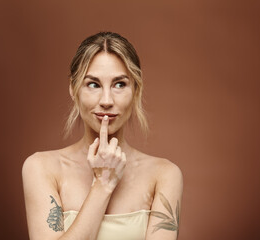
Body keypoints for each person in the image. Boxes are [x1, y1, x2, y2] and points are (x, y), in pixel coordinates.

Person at [22, 32, 183, 240]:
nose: (106, 100)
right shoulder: (41, 168)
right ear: (73, 89)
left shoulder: (164, 175)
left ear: (135, 90)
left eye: (119, 84)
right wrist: (103, 184)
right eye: (93, 84)